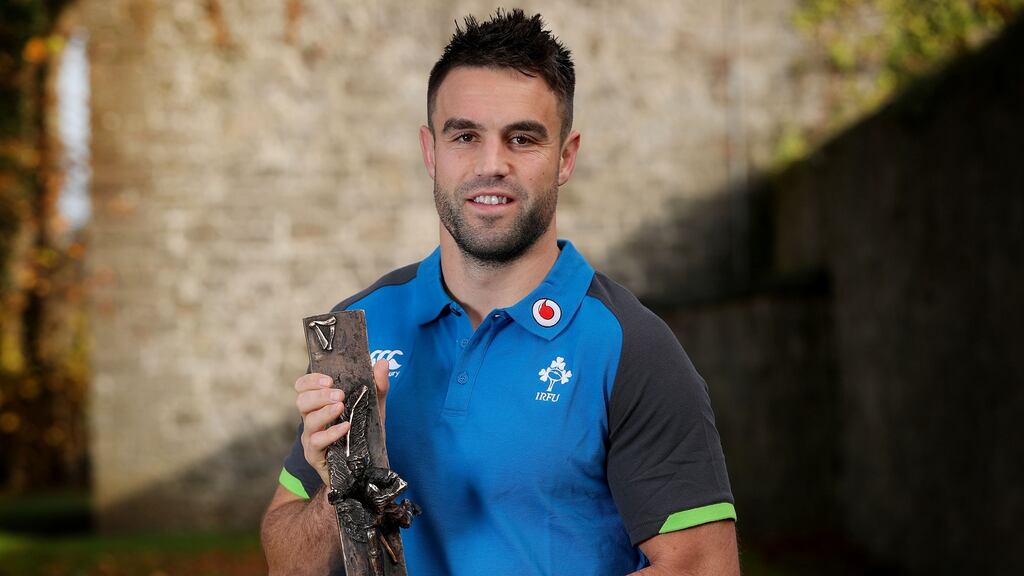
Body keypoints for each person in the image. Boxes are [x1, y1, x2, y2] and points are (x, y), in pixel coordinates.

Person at [261, 9, 738, 575]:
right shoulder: (360, 327)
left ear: (565, 157)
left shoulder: (629, 347)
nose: (492, 165)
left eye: (523, 139)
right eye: (465, 136)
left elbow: (705, 568)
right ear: (430, 151)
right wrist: (345, 485)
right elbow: (286, 561)